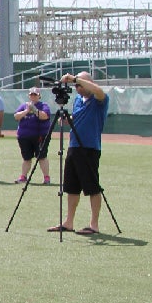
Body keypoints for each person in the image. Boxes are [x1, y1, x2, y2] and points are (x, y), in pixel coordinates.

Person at [48, 72, 109, 236]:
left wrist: (75, 79)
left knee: (92, 187)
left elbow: (98, 91)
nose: (78, 88)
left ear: (87, 82)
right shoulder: (77, 100)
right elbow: (77, 116)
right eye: (76, 86)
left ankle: (94, 224)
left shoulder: (99, 99)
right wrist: (68, 120)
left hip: (90, 148)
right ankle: (68, 222)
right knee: (71, 186)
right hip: (74, 146)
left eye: (80, 85)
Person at [14, 87, 51, 184]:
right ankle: (23, 176)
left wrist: (35, 110)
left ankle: (46, 177)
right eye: (31, 94)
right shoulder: (23, 106)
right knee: (26, 158)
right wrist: (26, 111)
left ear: (39, 96)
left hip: (39, 136)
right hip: (24, 136)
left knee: (42, 156)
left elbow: (45, 116)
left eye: (35, 94)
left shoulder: (43, 106)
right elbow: (16, 116)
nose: (33, 96)